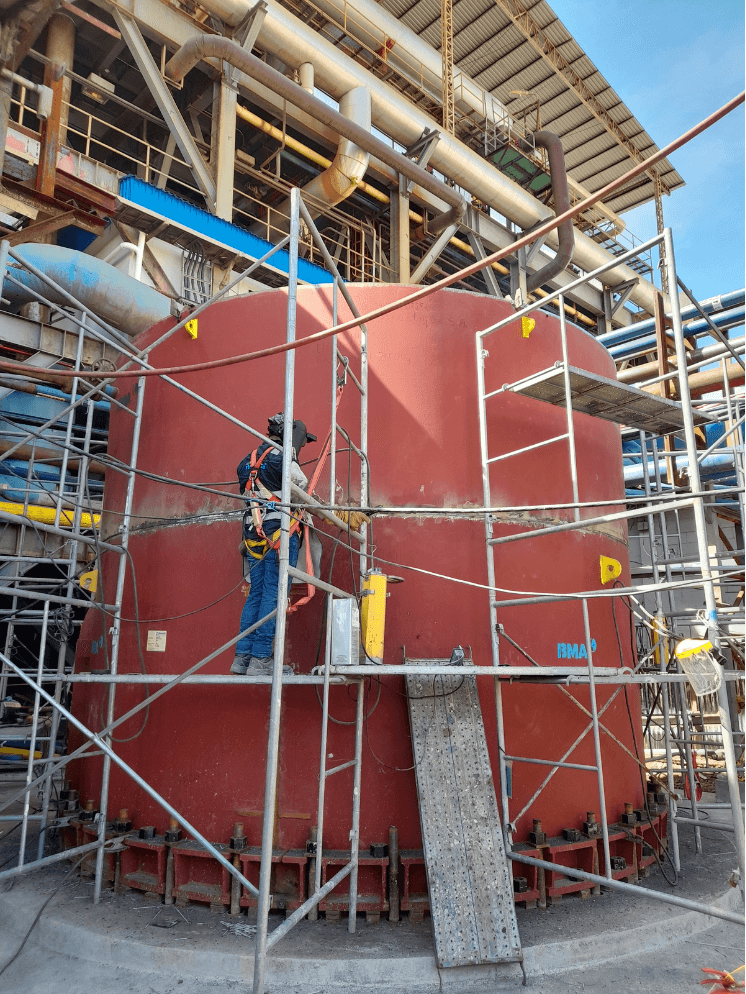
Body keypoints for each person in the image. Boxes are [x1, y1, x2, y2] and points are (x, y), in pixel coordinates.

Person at [231, 413, 317, 675]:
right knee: (274, 593)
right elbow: (301, 490)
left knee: (256, 593)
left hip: (253, 535)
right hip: (279, 533)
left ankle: (243, 658)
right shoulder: (282, 458)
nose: (301, 447)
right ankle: (261, 660)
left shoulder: (247, 461)